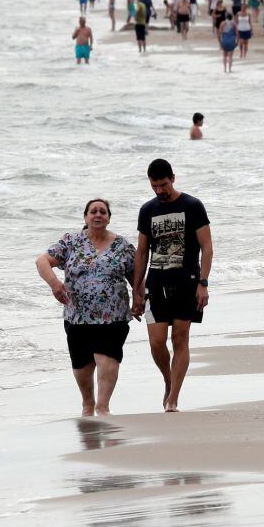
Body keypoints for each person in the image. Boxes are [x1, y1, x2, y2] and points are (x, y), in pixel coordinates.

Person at [35, 199, 136, 416]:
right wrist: (55, 284)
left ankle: (103, 406)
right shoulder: (71, 242)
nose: (98, 215)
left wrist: (139, 299)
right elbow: (42, 261)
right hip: (77, 315)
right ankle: (88, 404)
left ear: (109, 217)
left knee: (107, 356)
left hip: (113, 315)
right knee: (82, 364)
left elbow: (135, 276)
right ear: (86, 217)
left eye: (102, 212)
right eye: (93, 211)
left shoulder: (123, 246)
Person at [131, 159, 213, 413]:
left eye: (163, 185)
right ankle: (169, 380)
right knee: (156, 342)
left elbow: (207, 248)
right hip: (156, 283)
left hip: (187, 282)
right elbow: (142, 252)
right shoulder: (147, 210)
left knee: (180, 337)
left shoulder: (192, 206)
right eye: (154, 186)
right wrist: (136, 289)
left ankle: (174, 397)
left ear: (173, 179)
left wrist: (203, 283)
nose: (159, 191)